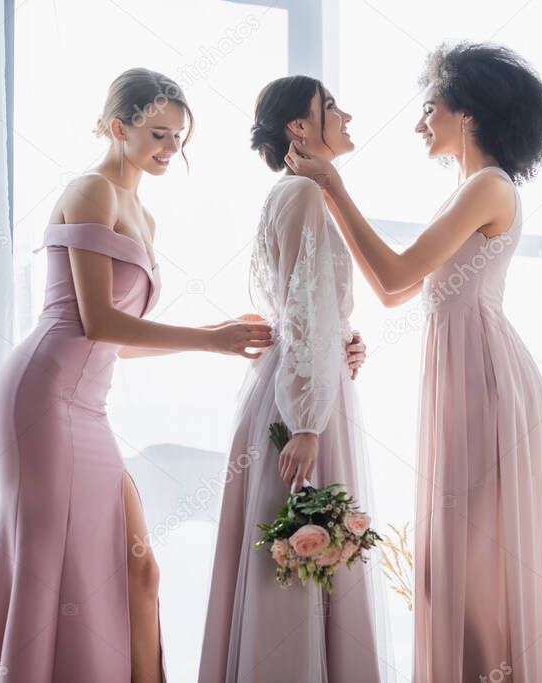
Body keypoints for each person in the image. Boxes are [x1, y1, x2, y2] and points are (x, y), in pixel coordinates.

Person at [0, 67, 364, 683]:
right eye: (156, 134)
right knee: (48, 567)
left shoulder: (142, 216)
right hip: (43, 398)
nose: (167, 150)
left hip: (87, 405)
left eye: (177, 139)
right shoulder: (93, 189)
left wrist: (224, 339)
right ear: (117, 127)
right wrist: (210, 340)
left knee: (141, 569)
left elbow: (116, 346)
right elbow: (95, 321)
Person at [286, 43, 542, 682]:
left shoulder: (489, 186)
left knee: (467, 571)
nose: (420, 125)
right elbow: (393, 291)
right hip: (461, 370)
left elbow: (394, 273)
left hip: (485, 376)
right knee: (452, 569)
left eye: (430, 110)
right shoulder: (468, 190)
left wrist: (332, 185)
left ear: (467, 115)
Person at [198, 75, 389, 683]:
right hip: (299, 404)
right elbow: (303, 309)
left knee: (302, 556)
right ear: (299, 127)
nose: (347, 113)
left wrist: (342, 342)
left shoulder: (295, 193)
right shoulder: (303, 195)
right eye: (332, 106)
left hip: (300, 385)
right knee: (299, 555)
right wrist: (307, 420)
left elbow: (306, 310)